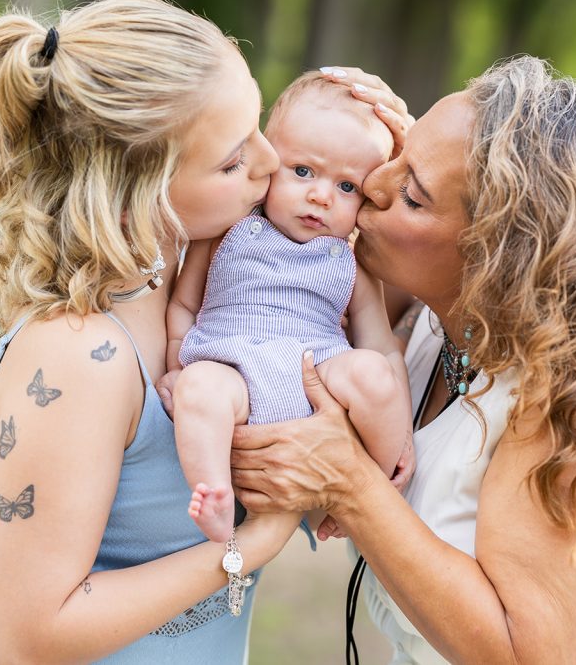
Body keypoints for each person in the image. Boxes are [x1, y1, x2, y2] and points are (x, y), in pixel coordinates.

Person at [0, 0, 410, 663]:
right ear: (140, 194)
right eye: (234, 160)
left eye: (259, 127)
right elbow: (27, 635)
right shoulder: (78, 355)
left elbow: (376, 322)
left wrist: (395, 161)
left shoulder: (209, 279)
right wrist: (248, 547)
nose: (270, 163)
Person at [230, 56, 576, 664]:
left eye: (411, 195)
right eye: (393, 156)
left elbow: (526, 656)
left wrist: (351, 485)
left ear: (496, 262)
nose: (372, 183)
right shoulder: (437, 313)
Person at [158, 71, 412, 544]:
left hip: (318, 378)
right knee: (198, 389)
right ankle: (213, 494)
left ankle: (366, 488)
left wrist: (401, 430)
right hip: (233, 370)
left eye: (347, 187)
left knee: (376, 376)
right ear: (268, 162)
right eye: (303, 172)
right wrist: (177, 360)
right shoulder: (228, 228)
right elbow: (184, 304)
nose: (321, 195)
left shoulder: (350, 259)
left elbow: (380, 343)